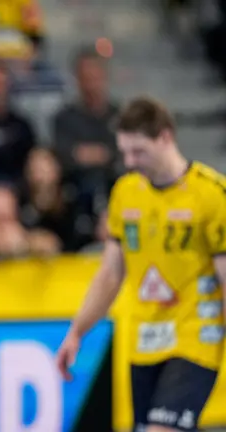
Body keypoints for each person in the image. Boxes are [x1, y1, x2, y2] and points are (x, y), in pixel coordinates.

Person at [56, 96, 226, 432]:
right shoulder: (126, 191)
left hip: (195, 337)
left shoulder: (211, 193)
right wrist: (77, 332)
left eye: (139, 152)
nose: (130, 162)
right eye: (125, 152)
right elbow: (110, 274)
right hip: (143, 340)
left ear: (165, 137)